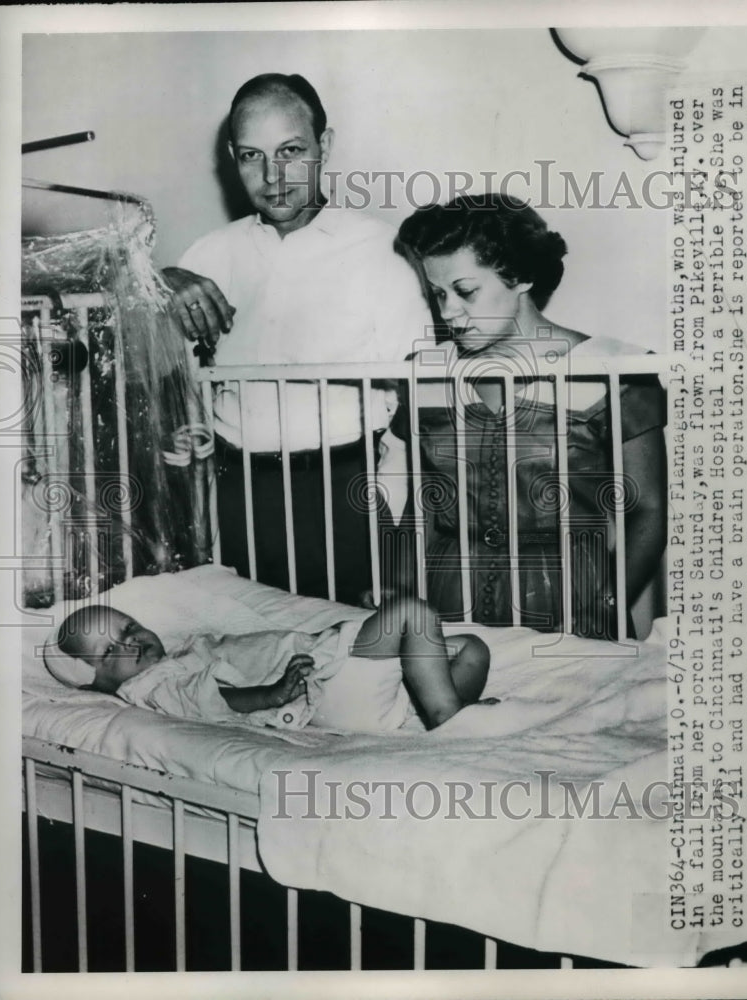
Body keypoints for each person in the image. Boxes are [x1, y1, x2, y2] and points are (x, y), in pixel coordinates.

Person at [161, 73, 430, 603]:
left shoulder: (384, 250)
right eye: (251, 156)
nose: (272, 176)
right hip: (234, 491)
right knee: (247, 653)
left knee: (354, 652)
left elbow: (420, 402)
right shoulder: (206, 256)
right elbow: (157, 381)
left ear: (324, 146)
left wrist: (397, 536)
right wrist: (157, 286)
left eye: (290, 151)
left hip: (345, 489)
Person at [392, 193, 667, 638]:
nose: (447, 313)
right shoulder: (425, 374)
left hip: (572, 602)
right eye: (437, 293)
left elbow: (649, 509)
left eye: (465, 292)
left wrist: (607, 603)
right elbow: (422, 504)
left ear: (519, 276)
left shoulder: (614, 369)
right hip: (449, 598)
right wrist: (401, 591)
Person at [47, 600, 491, 732]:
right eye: (110, 653)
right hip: (320, 687)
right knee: (411, 616)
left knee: (471, 649)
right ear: (95, 683)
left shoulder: (180, 654)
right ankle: (450, 719)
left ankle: (431, 710)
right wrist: (273, 694)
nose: (130, 644)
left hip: (334, 673)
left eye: (130, 628)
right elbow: (205, 698)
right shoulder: (150, 686)